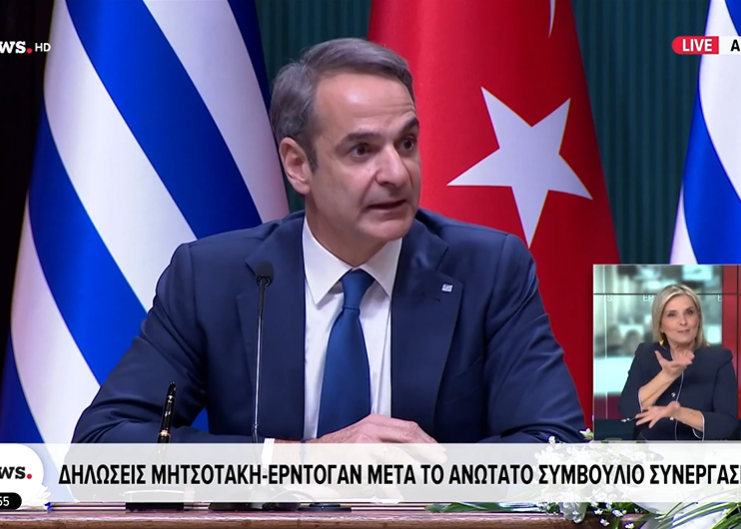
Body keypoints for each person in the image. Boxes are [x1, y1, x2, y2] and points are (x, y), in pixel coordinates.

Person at [72, 37, 585, 445]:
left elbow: (557, 447)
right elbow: (105, 444)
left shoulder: (488, 269)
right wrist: (300, 463)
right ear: (298, 165)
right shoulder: (210, 278)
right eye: (362, 150)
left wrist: (433, 472)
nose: (396, 173)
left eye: (407, 143)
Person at [618, 284, 738, 440]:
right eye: (672, 315)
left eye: (689, 312)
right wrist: (667, 376)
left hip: (699, 452)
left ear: (698, 319)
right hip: (651, 450)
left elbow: (727, 424)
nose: (683, 321)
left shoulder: (719, 359)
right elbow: (627, 410)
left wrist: (678, 413)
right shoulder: (645, 354)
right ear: (660, 325)